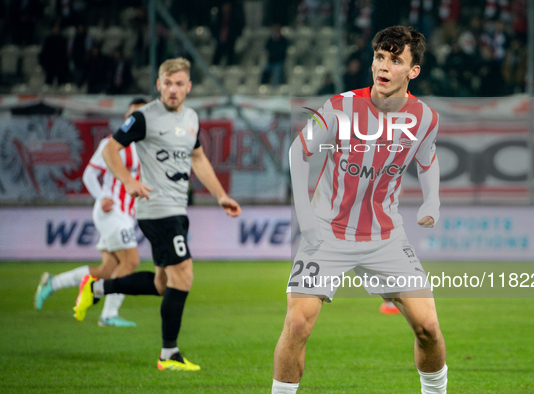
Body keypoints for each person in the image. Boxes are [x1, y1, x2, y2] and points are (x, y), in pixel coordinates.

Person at [272, 26, 447, 393]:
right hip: (327, 232)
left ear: (413, 71)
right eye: (379, 57)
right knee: (298, 324)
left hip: (385, 237)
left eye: (395, 60)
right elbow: (297, 152)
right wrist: (304, 214)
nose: (383, 66)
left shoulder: (425, 118)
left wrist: (432, 199)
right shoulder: (340, 107)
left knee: (428, 328)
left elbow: (427, 158)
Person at [73, 57, 242, 371]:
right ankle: (169, 354)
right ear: (158, 86)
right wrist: (127, 180)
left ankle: (97, 287)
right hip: (156, 208)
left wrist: (220, 196)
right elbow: (111, 148)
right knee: (185, 275)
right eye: (167, 84)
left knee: (164, 284)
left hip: (178, 208)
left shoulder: (191, 117)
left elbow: (198, 158)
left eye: (179, 84)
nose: (173, 90)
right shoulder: (144, 117)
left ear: (188, 87)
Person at [34, 98, 148, 327]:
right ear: (126, 118)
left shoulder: (148, 147)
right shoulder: (112, 143)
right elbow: (89, 174)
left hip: (125, 214)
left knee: (107, 269)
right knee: (131, 261)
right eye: (134, 115)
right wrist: (102, 196)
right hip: (111, 211)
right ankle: (108, 314)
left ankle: (52, 283)